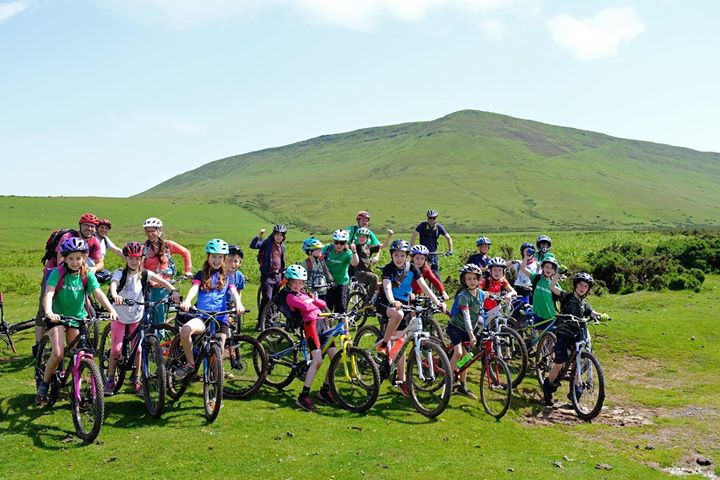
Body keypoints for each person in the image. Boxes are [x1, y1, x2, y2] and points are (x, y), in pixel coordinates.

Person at [36, 237, 119, 404]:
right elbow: (49, 292)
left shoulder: (86, 273)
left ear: (84, 258)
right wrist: (49, 311)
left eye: (78, 258)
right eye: (71, 258)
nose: (75, 262)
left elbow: (98, 293)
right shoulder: (57, 273)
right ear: (65, 259)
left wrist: (111, 310)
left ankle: (78, 385)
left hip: (77, 318)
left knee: (78, 355)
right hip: (57, 318)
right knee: (58, 353)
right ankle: (44, 385)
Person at [106, 242, 179, 396]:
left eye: (138, 259)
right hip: (119, 315)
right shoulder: (120, 273)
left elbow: (164, 282)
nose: (134, 262)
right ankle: (110, 379)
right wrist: (115, 295)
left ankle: (137, 380)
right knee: (116, 350)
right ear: (126, 258)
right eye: (131, 258)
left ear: (142, 259)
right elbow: (114, 284)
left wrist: (173, 291)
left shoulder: (145, 274)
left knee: (138, 349)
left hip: (136, 316)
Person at [376, 240, 447, 395]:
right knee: (399, 315)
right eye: (396, 255)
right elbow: (387, 286)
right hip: (386, 302)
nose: (399, 258)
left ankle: (401, 380)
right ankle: (384, 344)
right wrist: (392, 301)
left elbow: (425, 286)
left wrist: (437, 302)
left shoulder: (412, 268)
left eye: (402, 255)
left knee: (401, 344)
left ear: (407, 256)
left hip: (404, 302)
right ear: (392, 255)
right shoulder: (389, 268)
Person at [34, 213, 105, 356]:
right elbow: (61, 259)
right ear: (80, 226)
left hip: (77, 273)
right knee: (44, 309)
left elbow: (100, 262)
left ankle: (73, 345)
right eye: (86, 225)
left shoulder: (94, 242)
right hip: (55, 274)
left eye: (92, 226)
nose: (89, 229)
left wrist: (92, 269)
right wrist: (72, 270)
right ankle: (38, 346)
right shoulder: (68, 237)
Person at [175, 239, 244, 379]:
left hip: (220, 320)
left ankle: (215, 393)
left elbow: (234, 292)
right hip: (203, 317)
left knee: (216, 357)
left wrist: (239, 304)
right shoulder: (201, 274)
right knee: (185, 330)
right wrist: (187, 301)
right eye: (214, 256)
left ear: (224, 259)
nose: (217, 260)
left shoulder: (228, 277)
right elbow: (194, 288)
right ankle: (190, 364)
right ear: (208, 257)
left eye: (220, 257)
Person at [541, 273, 604, 405]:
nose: (582, 288)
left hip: (577, 335)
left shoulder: (584, 303)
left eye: (585, 286)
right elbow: (552, 286)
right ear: (575, 285)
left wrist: (601, 315)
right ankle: (548, 387)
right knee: (559, 363)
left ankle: (575, 395)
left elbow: (591, 313)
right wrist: (558, 274)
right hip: (563, 333)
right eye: (580, 284)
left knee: (578, 364)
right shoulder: (566, 296)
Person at [283, 265, 340, 411]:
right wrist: (312, 300)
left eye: (300, 282)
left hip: (323, 325)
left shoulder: (304, 294)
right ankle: (303, 396)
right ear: (288, 282)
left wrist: (313, 300)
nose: (297, 285)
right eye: (294, 282)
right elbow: (306, 307)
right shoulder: (290, 296)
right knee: (317, 361)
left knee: (335, 359)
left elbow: (323, 303)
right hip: (311, 327)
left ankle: (325, 390)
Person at [142, 217, 193, 326]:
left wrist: (188, 270)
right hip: (148, 285)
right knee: (145, 314)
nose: (150, 234)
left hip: (164, 286)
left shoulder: (168, 245)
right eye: (148, 231)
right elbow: (140, 266)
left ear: (159, 231)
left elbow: (186, 252)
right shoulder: (144, 247)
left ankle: (158, 337)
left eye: (153, 231)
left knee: (159, 317)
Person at [446, 264, 486, 399]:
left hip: (468, 331)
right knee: (458, 353)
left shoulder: (481, 294)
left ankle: (462, 385)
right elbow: (467, 316)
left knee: (467, 358)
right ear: (464, 280)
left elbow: (490, 299)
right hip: (456, 328)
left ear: (479, 279)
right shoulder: (464, 296)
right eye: (469, 279)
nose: (472, 281)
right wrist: (472, 335)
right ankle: (448, 381)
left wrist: (507, 297)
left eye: (475, 278)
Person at [250, 224, 287, 330]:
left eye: (281, 235)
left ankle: (270, 320)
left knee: (275, 299)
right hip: (267, 275)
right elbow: (253, 245)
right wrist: (259, 235)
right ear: (274, 234)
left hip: (278, 276)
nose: (279, 236)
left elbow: (281, 261)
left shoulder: (282, 246)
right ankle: (260, 322)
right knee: (267, 298)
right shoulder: (267, 242)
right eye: (277, 234)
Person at [323, 229, 360, 313]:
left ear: (346, 243)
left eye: (342, 243)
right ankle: (328, 326)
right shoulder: (328, 248)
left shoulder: (348, 252)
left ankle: (345, 326)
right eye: (336, 242)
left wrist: (354, 251)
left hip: (341, 284)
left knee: (342, 310)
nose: (339, 245)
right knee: (327, 309)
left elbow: (355, 263)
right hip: (328, 283)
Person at [353, 227, 393, 301]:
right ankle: (369, 298)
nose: (361, 238)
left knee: (379, 284)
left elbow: (383, 246)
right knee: (375, 277)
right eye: (360, 236)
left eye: (364, 236)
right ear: (357, 237)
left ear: (367, 238)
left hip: (368, 272)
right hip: (359, 272)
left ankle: (375, 300)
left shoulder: (369, 247)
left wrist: (389, 236)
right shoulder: (356, 247)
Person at [520, 255, 561, 327]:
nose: (549, 270)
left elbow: (562, 295)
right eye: (547, 267)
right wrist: (526, 257)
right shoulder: (536, 278)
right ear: (542, 267)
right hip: (537, 313)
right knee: (539, 335)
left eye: (552, 268)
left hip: (550, 315)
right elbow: (523, 268)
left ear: (554, 271)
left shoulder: (554, 284)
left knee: (549, 336)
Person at [410, 209, 453, 274]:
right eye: (430, 218)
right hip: (423, 254)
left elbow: (448, 238)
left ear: (436, 218)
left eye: (434, 218)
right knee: (422, 273)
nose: (432, 220)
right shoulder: (422, 225)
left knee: (436, 272)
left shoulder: (439, 227)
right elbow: (414, 237)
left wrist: (450, 250)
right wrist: (412, 249)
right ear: (427, 218)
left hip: (434, 254)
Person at [480, 257, 517, 323]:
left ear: (503, 272)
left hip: (496, 310)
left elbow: (514, 291)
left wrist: (509, 294)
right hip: (483, 311)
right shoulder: (485, 282)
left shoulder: (503, 282)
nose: (497, 272)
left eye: (500, 270)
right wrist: (483, 293)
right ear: (490, 271)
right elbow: (474, 292)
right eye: (494, 270)